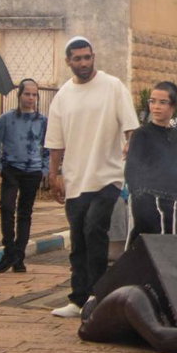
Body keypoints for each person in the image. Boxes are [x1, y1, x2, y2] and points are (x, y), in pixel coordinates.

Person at [46, 37, 138, 318]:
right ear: (68, 62)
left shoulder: (113, 87)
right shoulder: (62, 96)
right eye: (78, 59)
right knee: (79, 239)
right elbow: (56, 142)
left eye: (87, 57)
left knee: (94, 231)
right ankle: (78, 298)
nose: (84, 63)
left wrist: (129, 146)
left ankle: (97, 297)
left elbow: (131, 127)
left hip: (108, 177)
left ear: (93, 56)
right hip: (75, 180)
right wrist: (54, 176)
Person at [0, 79, 48, 272]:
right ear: (19, 95)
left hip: (33, 171)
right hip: (11, 168)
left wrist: (46, 169)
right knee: (7, 207)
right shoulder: (6, 119)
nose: (31, 98)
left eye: (34, 95)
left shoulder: (42, 121)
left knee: (25, 213)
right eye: (27, 94)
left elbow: (49, 146)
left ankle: (19, 256)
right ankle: (9, 250)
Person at [124, 81, 177, 237]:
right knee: (146, 247)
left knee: (170, 247)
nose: (156, 106)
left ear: (173, 106)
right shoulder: (141, 134)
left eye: (162, 102)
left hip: (172, 203)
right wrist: (140, 200)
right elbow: (132, 170)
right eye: (152, 101)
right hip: (147, 202)